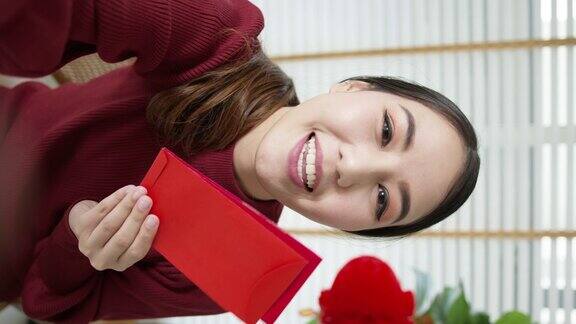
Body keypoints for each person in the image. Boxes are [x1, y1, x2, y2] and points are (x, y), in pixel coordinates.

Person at [0, 0, 480, 322]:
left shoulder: (234, 271)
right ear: (355, 88)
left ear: (355, 231)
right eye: (387, 130)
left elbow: (45, 302)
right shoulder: (223, 39)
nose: (351, 168)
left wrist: (77, 244)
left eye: (381, 199)